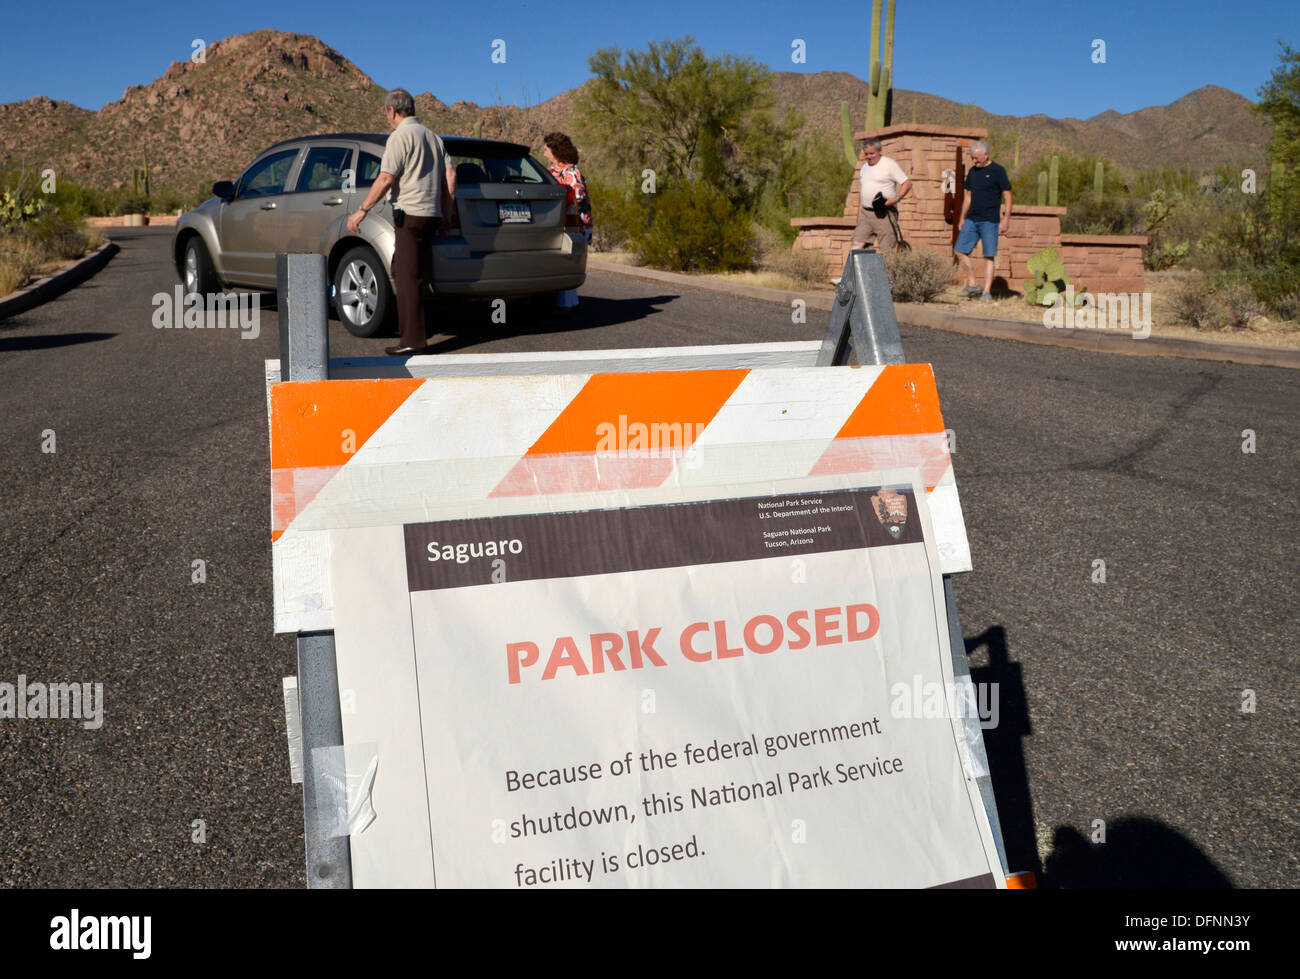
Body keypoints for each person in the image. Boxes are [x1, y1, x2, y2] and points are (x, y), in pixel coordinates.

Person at [347, 88, 457, 355]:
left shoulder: (399, 137)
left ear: (392, 111)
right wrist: (447, 211)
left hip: (410, 215)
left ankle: (412, 341)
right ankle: (413, 327)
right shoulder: (433, 137)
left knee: (407, 278)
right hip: (432, 214)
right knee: (404, 270)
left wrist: (362, 210)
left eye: (387, 113)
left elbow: (386, 179)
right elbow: (451, 175)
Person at [953, 140, 1012, 301]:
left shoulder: (998, 171)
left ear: (986, 155)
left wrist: (1006, 219)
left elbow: (1007, 196)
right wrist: (962, 218)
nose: (974, 161)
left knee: (988, 255)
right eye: (972, 158)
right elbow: (968, 197)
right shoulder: (973, 172)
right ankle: (973, 284)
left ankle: (986, 291)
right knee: (959, 250)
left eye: (977, 158)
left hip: (990, 220)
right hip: (972, 219)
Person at [541, 132, 592, 313]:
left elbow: (576, 197)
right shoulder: (550, 171)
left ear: (555, 150)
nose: (544, 152)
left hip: (573, 224)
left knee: (567, 260)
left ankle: (568, 305)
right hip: (555, 223)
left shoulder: (570, 171)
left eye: (546, 149)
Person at [849, 138, 912, 253]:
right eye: (866, 154)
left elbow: (907, 183)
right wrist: (859, 216)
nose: (869, 156)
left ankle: (888, 271)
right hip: (866, 213)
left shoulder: (889, 164)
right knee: (856, 245)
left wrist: (896, 199)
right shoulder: (864, 168)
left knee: (887, 250)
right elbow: (862, 192)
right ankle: (859, 271)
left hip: (884, 213)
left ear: (880, 151)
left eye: (872, 153)